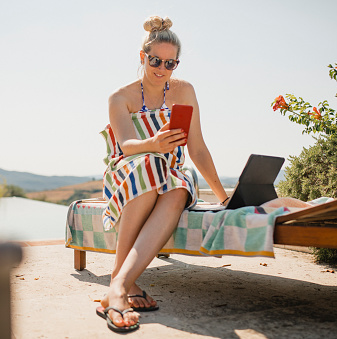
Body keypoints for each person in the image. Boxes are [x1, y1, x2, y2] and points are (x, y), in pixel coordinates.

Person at [96, 15, 229, 332]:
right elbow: (127, 144)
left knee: (179, 185)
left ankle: (119, 286)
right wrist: (153, 143)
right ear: (143, 57)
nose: (162, 68)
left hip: (170, 172)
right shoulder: (121, 97)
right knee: (152, 162)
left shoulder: (184, 92)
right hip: (127, 168)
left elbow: (196, 149)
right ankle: (123, 282)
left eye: (171, 63)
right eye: (155, 60)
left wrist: (224, 198)